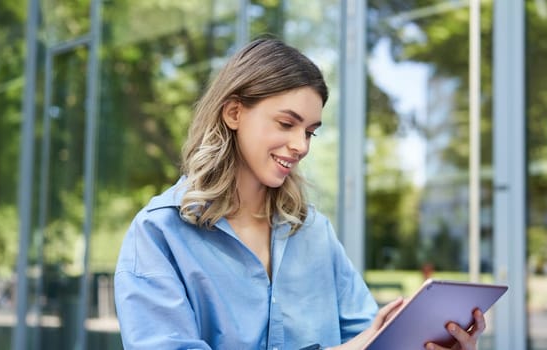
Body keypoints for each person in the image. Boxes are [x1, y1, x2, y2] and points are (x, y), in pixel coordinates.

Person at [113, 38, 486, 350]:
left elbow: (366, 339)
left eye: (310, 131)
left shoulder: (312, 231)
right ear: (233, 113)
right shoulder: (159, 234)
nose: (300, 145)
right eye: (286, 123)